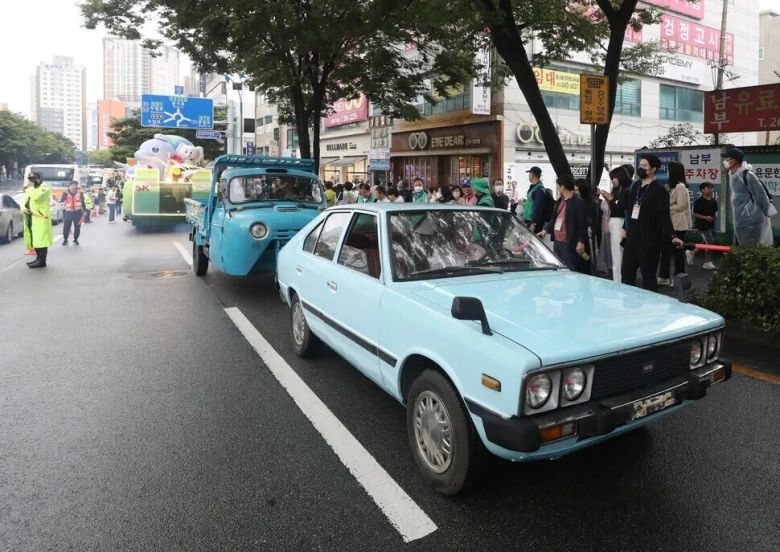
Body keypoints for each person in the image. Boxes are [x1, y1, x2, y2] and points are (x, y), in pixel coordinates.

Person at [621, 154, 684, 292]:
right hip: (632, 239)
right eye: (640, 165)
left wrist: (673, 236)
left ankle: (650, 303)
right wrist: (624, 227)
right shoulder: (636, 186)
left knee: (648, 277)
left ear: (653, 169)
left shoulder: (659, 190)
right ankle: (628, 302)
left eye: (644, 166)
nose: (640, 168)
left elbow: (664, 216)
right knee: (626, 274)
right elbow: (630, 209)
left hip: (649, 242)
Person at [722, 147, 773, 245]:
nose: (726, 161)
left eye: (728, 158)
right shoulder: (733, 175)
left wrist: (767, 211)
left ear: (735, 160)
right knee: (741, 244)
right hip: (740, 218)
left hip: (752, 218)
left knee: (751, 246)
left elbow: (761, 194)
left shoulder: (748, 175)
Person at [537, 175, 587, 271]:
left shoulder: (578, 203)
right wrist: (545, 230)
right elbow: (554, 219)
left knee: (569, 270)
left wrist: (581, 241)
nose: (558, 188)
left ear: (563, 187)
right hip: (557, 241)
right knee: (558, 269)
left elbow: (582, 224)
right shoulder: (560, 201)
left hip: (569, 243)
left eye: (559, 186)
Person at [658, 161, 691, 286]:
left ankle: (678, 278)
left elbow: (682, 205)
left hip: (678, 224)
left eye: (668, 170)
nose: (667, 172)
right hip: (671, 224)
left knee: (678, 253)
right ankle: (664, 277)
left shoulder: (680, 187)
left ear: (673, 172)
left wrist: (666, 208)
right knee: (665, 251)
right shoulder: (674, 187)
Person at [601, 167, 631, 282]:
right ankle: (618, 280)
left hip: (619, 224)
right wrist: (609, 198)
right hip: (615, 224)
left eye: (614, 178)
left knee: (617, 257)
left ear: (621, 178)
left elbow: (619, 209)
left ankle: (618, 282)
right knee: (616, 256)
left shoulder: (625, 192)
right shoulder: (619, 191)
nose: (613, 180)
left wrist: (610, 199)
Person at [20, 172, 53, 268]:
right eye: (30, 179)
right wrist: (23, 208)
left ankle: (41, 260)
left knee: (41, 239)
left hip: (40, 217)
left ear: (39, 178)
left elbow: (36, 197)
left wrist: (29, 188)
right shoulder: (31, 189)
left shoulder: (44, 187)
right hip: (31, 217)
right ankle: (38, 258)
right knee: (35, 239)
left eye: (34, 178)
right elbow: (24, 200)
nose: (32, 180)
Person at [689, 182, 719, 270]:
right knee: (710, 243)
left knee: (705, 242)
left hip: (711, 226)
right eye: (708, 188)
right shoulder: (699, 201)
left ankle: (691, 253)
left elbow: (715, 213)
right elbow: (695, 213)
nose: (710, 189)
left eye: (711, 188)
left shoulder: (713, 200)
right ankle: (707, 262)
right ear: (702, 190)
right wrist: (705, 217)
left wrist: (713, 221)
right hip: (702, 226)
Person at [574, 179, 599, 275]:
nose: (576, 192)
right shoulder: (576, 202)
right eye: (575, 190)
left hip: (587, 236)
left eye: (577, 190)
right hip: (577, 235)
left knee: (586, 258)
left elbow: (593, 222)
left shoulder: (591, 204)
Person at [60, 180, 86, 245]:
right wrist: (63, 208)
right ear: (70, 186)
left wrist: (85, 210)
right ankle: (65, 239)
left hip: (78, 212)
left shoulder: (80, 193)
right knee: (66, 227)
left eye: (75, 185)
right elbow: (62, 201)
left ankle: (75, 240)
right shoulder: (65, 193)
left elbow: (83, 202)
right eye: (72, 185)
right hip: (68, 212)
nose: (74, 186)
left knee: (77, 227)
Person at [523, 166, 548, 233]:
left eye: (529, 174)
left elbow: (538, 208)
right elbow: (531, 203)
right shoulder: (534, 187)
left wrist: (533, 223)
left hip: (533, 223)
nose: (528, 176)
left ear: (532, 175)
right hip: (529, 220)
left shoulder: (539, 190)